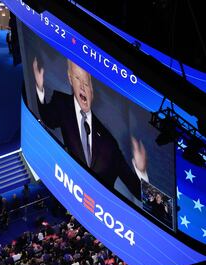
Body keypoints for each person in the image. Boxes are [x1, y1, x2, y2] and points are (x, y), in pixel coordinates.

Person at [33, 57, 149, 200]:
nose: (82, 86)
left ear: (92, 91)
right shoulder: (62, 104)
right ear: (70, 79)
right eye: (77, 78)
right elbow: (48, 119)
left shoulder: (109, 143)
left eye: (86, 83)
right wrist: (39, 88)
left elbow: (138, 192)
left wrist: (142, 171)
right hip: (70, 190)